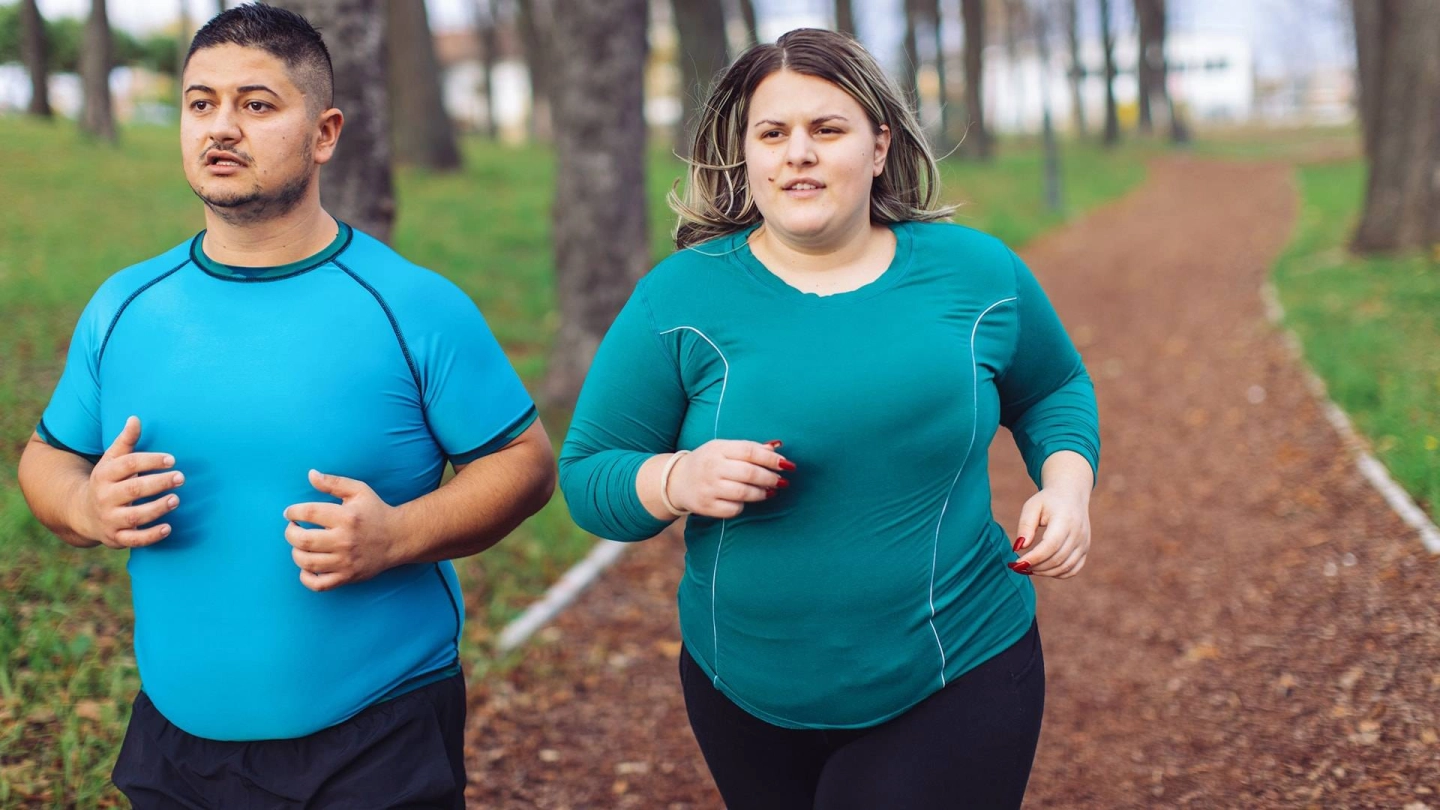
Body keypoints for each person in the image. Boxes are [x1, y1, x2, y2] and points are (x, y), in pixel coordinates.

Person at [15, 5, 554, 807]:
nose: (221, 127)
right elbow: (47, 457)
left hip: (376, 734)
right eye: (201, 103)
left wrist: (401, 533)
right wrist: (85, 507)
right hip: (175, 741)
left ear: (325, 132)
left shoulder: (411, 305)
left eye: (256, 104)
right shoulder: (124, 305)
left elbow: (526, 464)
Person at [559, 28, 1099, 810]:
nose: (797, 153)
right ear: (745, 156)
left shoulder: (977, 274)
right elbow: (587, 475)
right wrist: (677, 477)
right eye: (772, 133)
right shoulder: (679, 298)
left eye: (827, 129)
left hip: (957, 666)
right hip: (739, 687)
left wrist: (1068, 484)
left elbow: (1054, 388)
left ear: (879, 147)